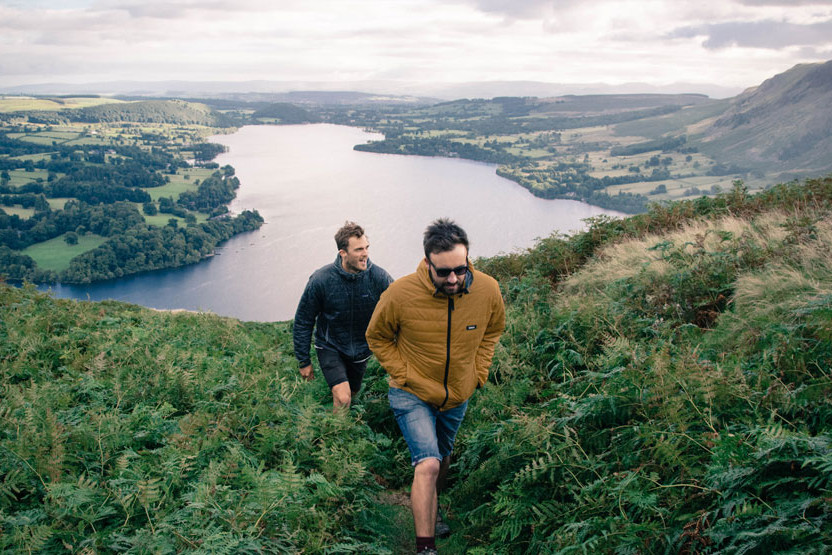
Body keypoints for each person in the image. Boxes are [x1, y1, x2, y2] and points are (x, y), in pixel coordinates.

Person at [366, 218, 505, 554]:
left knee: (442, 458)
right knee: (427, 462)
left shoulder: (488, 289)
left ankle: (433, 506)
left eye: (460, 268)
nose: (454, 278)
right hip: (411, 393)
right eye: (444, 272)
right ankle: (425, 547)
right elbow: (377, 336)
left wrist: (478, 372)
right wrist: (406, 375)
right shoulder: (400, 293)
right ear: (428, 263)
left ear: (468, 258)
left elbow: (493, 330)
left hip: (458, 393)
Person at [293, 221, 393, 408]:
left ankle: (338, 423)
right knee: (343, 396)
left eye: (366, 247)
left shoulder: (379, 278)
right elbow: (303, 321)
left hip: (362, 351)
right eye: (358, 250)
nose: (365, 254)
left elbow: (399, 312)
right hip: (330, 346)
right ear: (343, 253)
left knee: (352, 394)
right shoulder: (321, 280)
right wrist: (304, 361)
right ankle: (336, 434)